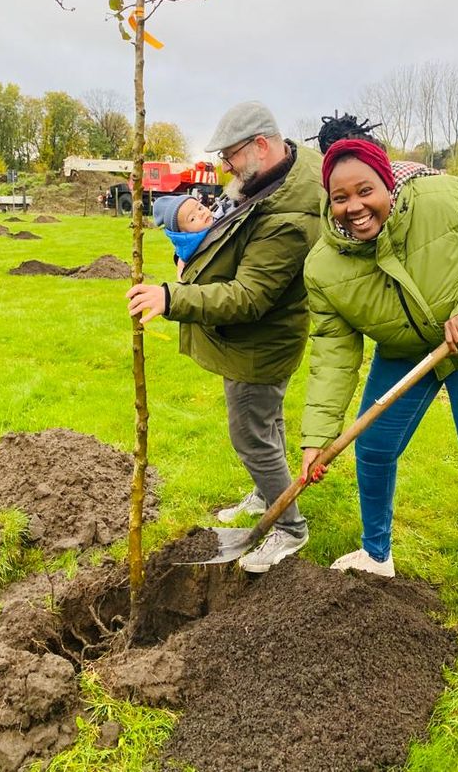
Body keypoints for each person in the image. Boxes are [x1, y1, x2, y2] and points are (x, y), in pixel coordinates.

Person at [299, 117, 458, 654]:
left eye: (366, 191)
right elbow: (333, 356)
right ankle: (376, 556)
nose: (355, 206)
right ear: (328, 201)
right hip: (408, 353)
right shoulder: (324, 266)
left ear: (388, 186)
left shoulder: (445, 200)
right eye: (340, 197)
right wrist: (316, 437)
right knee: (375, 448)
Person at [127, 101, 323, 572]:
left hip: (259, 344)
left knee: (252, 435)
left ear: (260, 145)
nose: (225, 166)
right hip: (256, 339)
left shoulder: (290, 216)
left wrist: (172, 299)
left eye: (231, 155)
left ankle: (290, 529)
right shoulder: (275, 176)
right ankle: (266, 493)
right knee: (268, 423)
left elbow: (248, 297)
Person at [153, 194, 215, 280]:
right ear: (183, 233)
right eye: (192, 219)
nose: (201, 214)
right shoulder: (190, 249)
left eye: (200, 208)